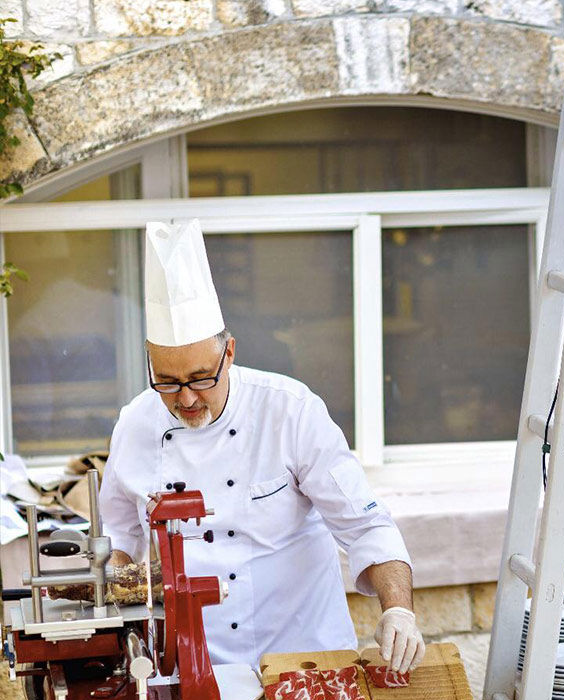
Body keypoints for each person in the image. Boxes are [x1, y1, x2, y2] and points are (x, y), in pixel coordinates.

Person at [100, 219, 425, 673]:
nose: (187, 398)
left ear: (229, 352)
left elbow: (366, 526)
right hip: (195, 668)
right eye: (168, 383)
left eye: (200, 378)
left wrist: (398, 610)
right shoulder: (135, 423)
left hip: (307, 661)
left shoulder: (290, 411)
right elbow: (119, 539)